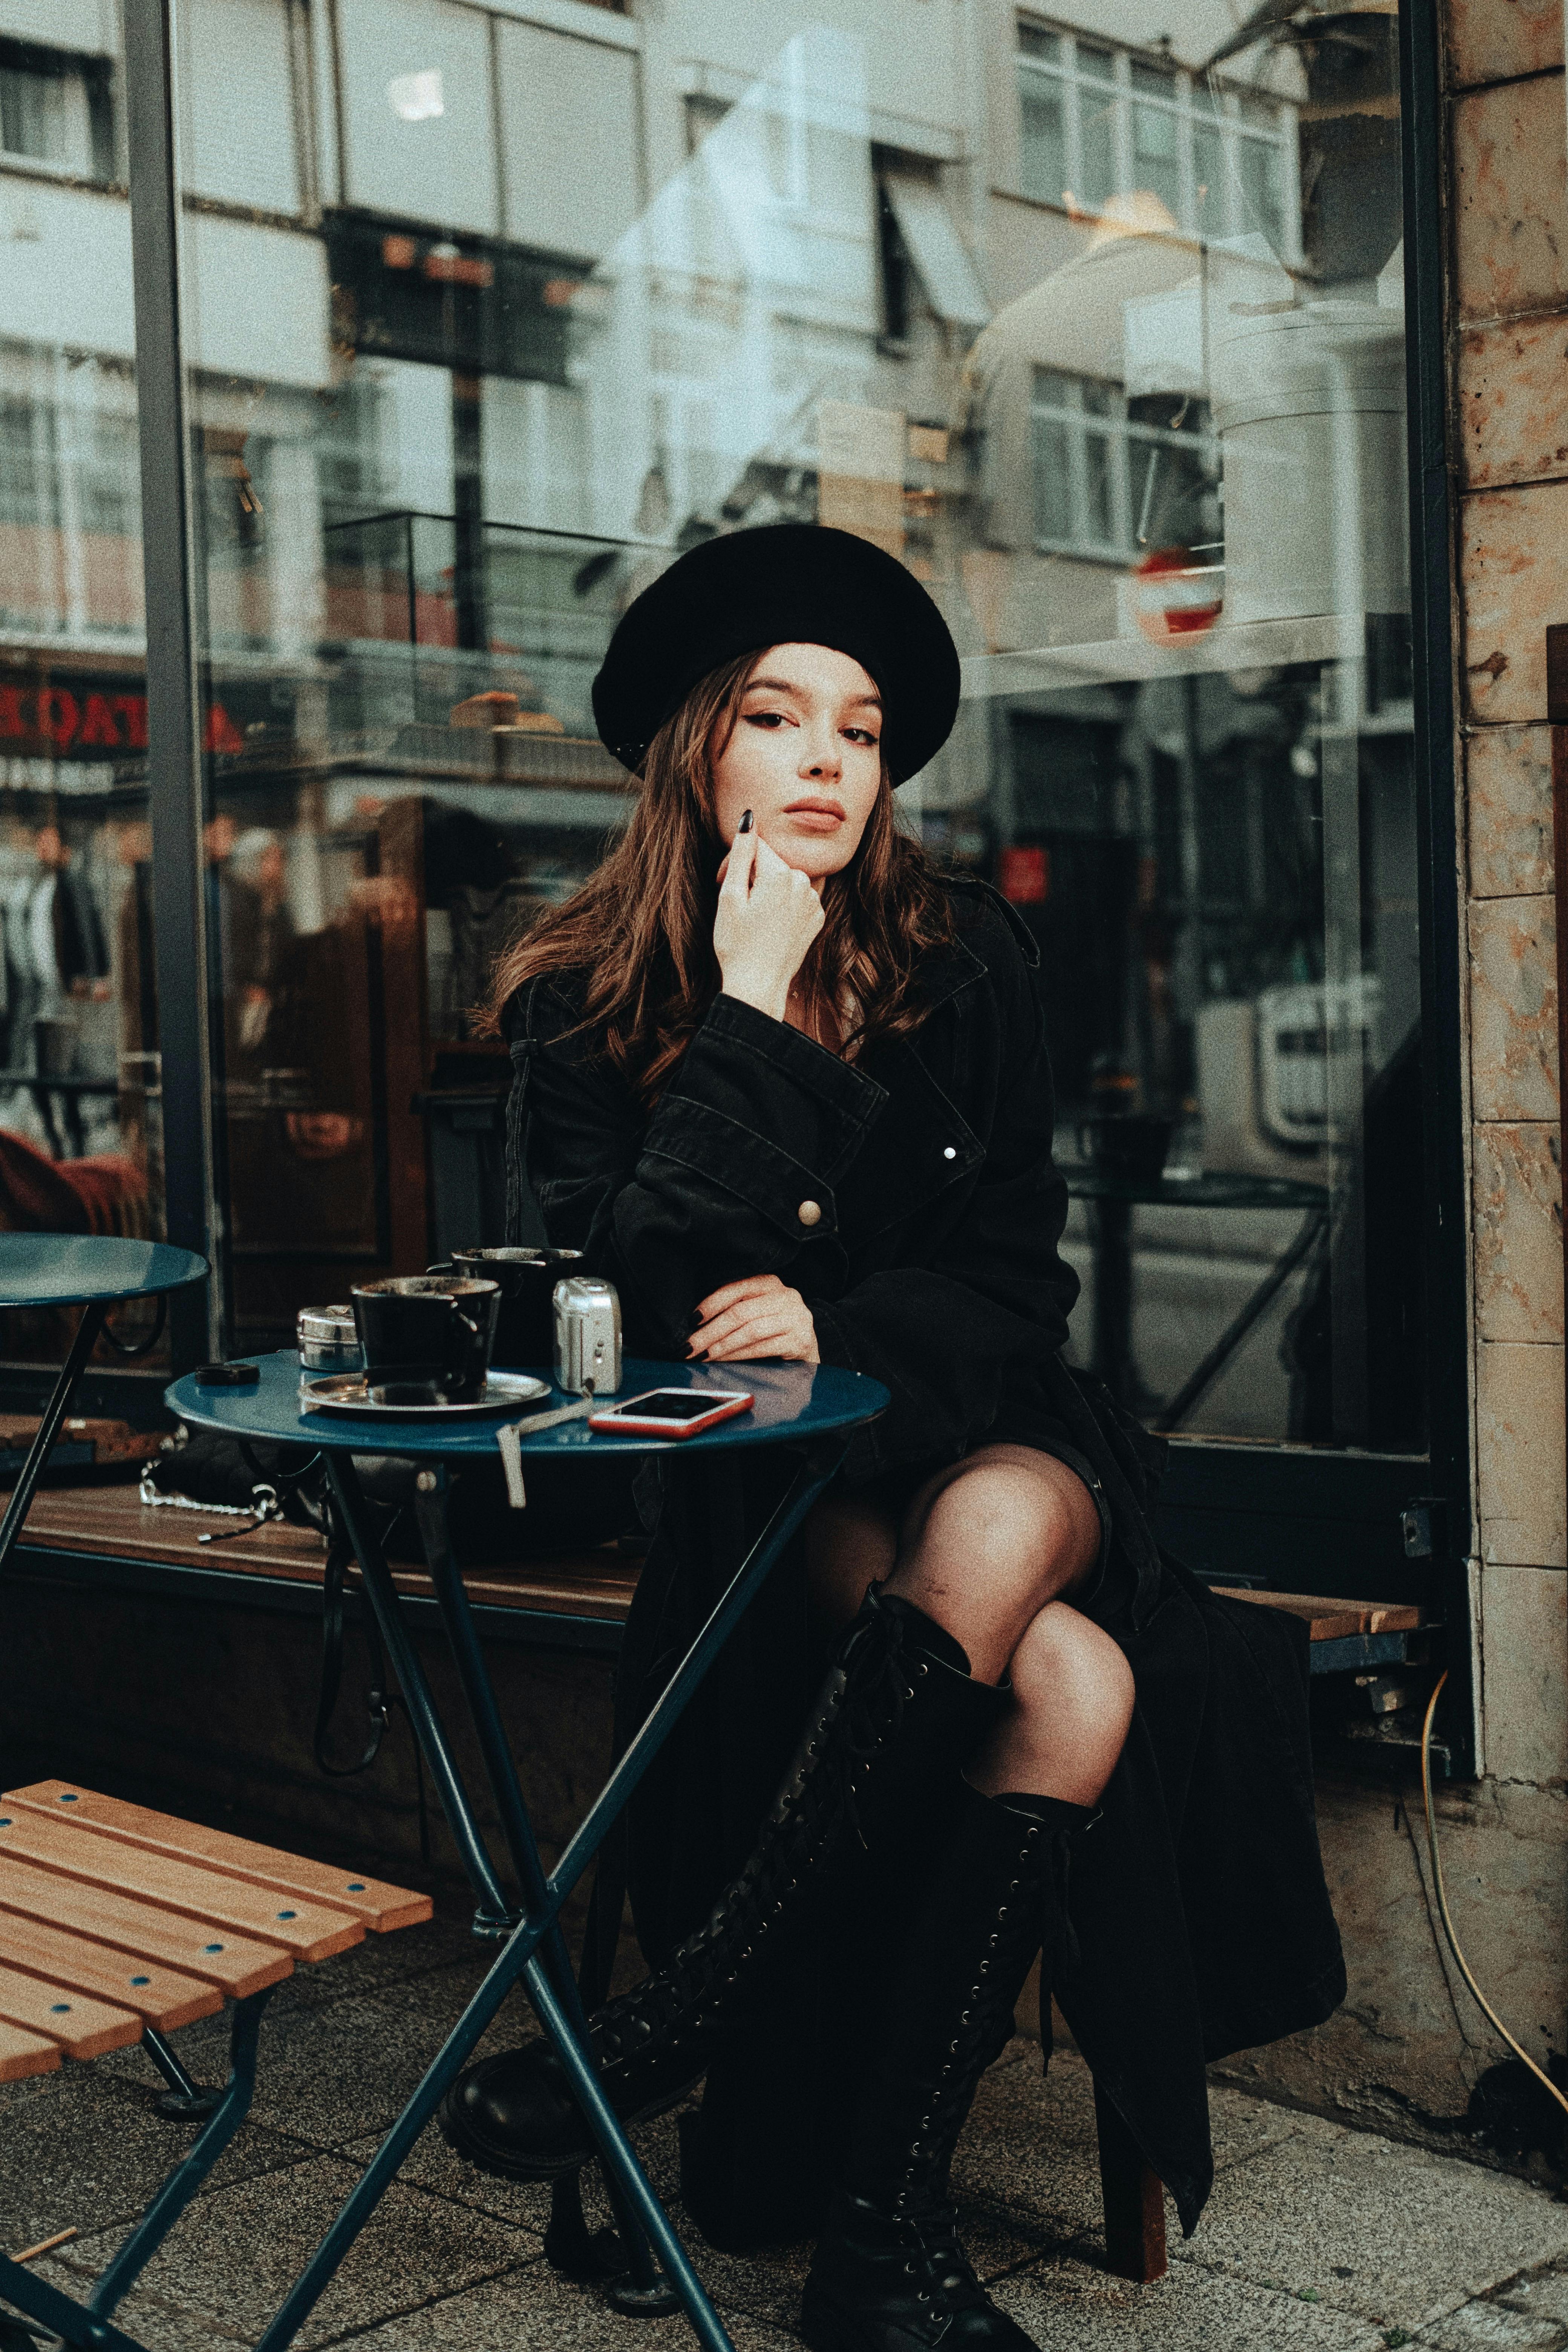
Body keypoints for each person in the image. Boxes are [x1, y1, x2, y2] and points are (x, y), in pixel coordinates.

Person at [438, 524, 1345, 2352]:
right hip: (786, 1490)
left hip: (1004, 1438)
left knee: (1008, 1547)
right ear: (702, 746)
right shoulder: (577, 1001)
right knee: (1068, 1694)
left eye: (856, 729)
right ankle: (881, 2239)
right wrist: (756, 1015)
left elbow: (1023, 1275)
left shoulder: (962, 958)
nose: (826, 760)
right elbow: (622, 1289)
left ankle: (684, 2011)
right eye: (778, 718)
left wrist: (844, 1325)